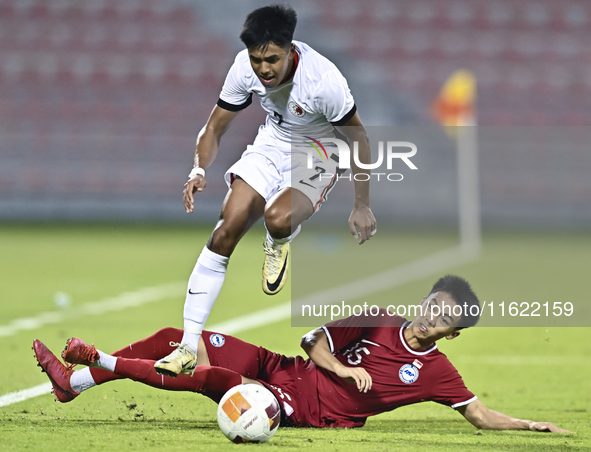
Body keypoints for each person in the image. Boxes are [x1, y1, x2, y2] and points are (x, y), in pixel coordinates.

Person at [33, 275, 569, 432]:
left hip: (302, 410)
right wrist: (344, 368)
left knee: (211, 375)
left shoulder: (437, 372)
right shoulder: (376, 320)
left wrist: (529, 426)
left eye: (445, 316)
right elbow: (311, 342)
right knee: (182, 336)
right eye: (434, 303)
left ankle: (96, 361)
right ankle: (71, 385)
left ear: (452, 332)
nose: (432, 315)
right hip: (280, 369)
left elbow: (476, 413)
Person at [160, 3, 377, 378]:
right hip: (270, 145)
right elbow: (214, 127)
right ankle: (187, 346)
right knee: (225, 229)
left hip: (318, 152)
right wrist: (198, 169)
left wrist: (362, 205)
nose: (263, 69)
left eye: (272, 59)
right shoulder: (244, 67)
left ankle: (279, 242)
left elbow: (359, 137)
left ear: (291, 49)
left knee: (277, 219)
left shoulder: (323, 81)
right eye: (257, 59)